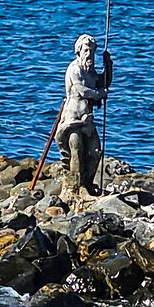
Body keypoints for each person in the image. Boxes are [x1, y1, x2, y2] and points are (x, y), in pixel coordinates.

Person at [55, 32, 113, 196]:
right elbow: (83, 90)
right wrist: (99, 94)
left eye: (92, 51)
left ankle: (87, 183)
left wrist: (108, 67)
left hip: (88, 119)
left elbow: (102, 82)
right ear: (79, 51)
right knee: (77, 150)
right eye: (87, 50)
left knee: (95, 151)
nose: (90, 55)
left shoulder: (90, 70)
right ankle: (76, 188)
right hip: (73, 118)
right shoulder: (75, 69)